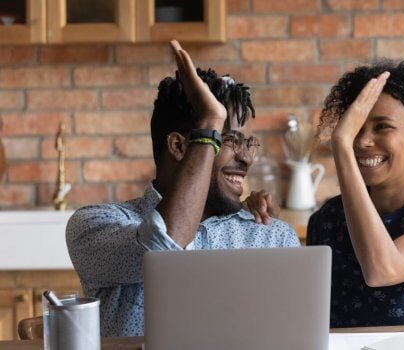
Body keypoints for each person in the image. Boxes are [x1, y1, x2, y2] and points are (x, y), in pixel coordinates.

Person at [66, 41, 300, 337]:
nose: (247, 158)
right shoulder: (96, 226)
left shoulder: (272, 236)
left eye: (246, 143)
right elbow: (166, 244)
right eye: (228, 140)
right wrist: (209, 124)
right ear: (179, 146)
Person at [248, 59, 404, 327]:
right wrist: (270, 228)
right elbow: (300, 311)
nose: (362, 141)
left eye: (382, 126)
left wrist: (341, 144)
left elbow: (383, 270)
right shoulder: (328, 219)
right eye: (355, 129)